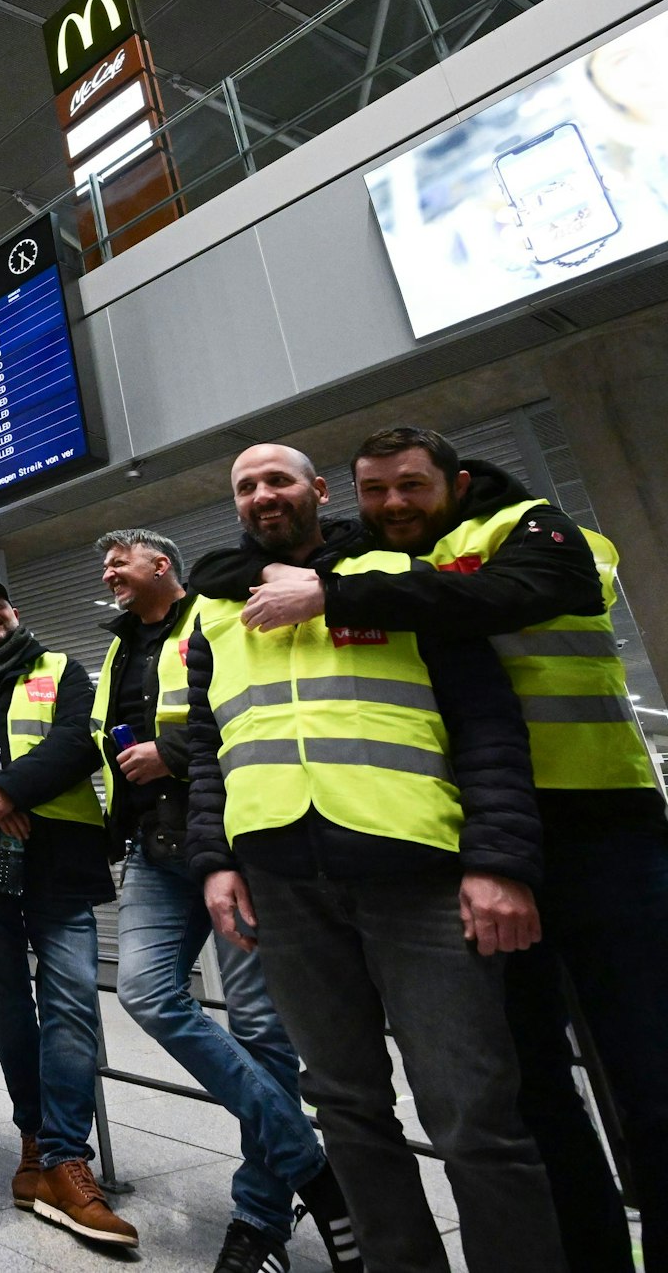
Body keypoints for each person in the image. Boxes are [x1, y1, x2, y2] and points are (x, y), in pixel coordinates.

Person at [238, 425, 668, 1273]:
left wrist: (338, 596)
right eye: (375, 491)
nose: (394, 503)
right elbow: (252, 563)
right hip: (481, 839)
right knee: (529, 1083)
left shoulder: (529, 527)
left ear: (457, 481)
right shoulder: (377, 558)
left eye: (411, 486)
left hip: (599, 826)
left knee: (647, 1067)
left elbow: (524, 592)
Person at [185, 443, 565, 1273]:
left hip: (417, 873)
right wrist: (214, 859)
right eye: (246, 486)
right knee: (348, 1109)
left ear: (318, 491)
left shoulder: (398, 575)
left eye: (279, 479)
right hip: (284, 885)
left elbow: (485, 722)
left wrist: (498, 859)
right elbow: (209, 747)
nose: (263, 495)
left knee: (473, 1115)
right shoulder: (213, 607)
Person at [94, 530, 356, 1271]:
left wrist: (168, 755)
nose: (109, 572)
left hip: (234, 841)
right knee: (145, 990)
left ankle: (260, 1219)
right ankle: (312, 1164)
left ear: (162, 564)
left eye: (120, 560)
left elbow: (242, 709)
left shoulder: (218, 612)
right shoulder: (118, 648)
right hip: (154, 847)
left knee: (261, 1030)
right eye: (104, 565)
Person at [0, 575, 137, 1251]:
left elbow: (82, 739)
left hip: (61, 860)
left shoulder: (63, 669)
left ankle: (62, 1157)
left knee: (74, 998)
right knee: (10, 1006)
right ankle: (36, 1142)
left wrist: (9, 790)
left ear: (14, 615)